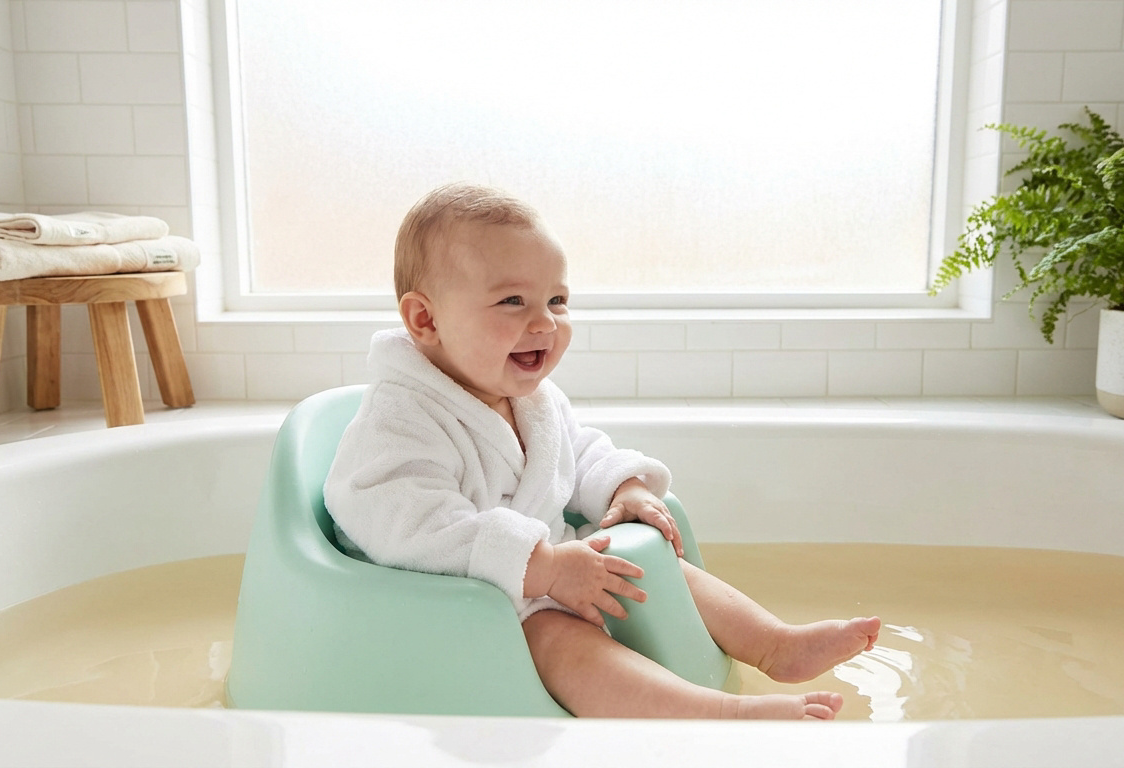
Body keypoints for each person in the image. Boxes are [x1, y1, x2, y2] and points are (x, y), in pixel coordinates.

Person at [325, 182, 880, 720]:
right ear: (425, 320)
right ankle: (718, 714)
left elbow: (577, 452)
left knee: (646, 562)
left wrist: (623, 486)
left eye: (557, 300)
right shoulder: (400, 421)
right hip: (460, 606)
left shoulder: (530, 400)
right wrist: (539, 567)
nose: (544, 322)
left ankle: (773, 645)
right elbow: (409, 522)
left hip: (539, 574)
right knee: (560, 640)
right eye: (512, 300)